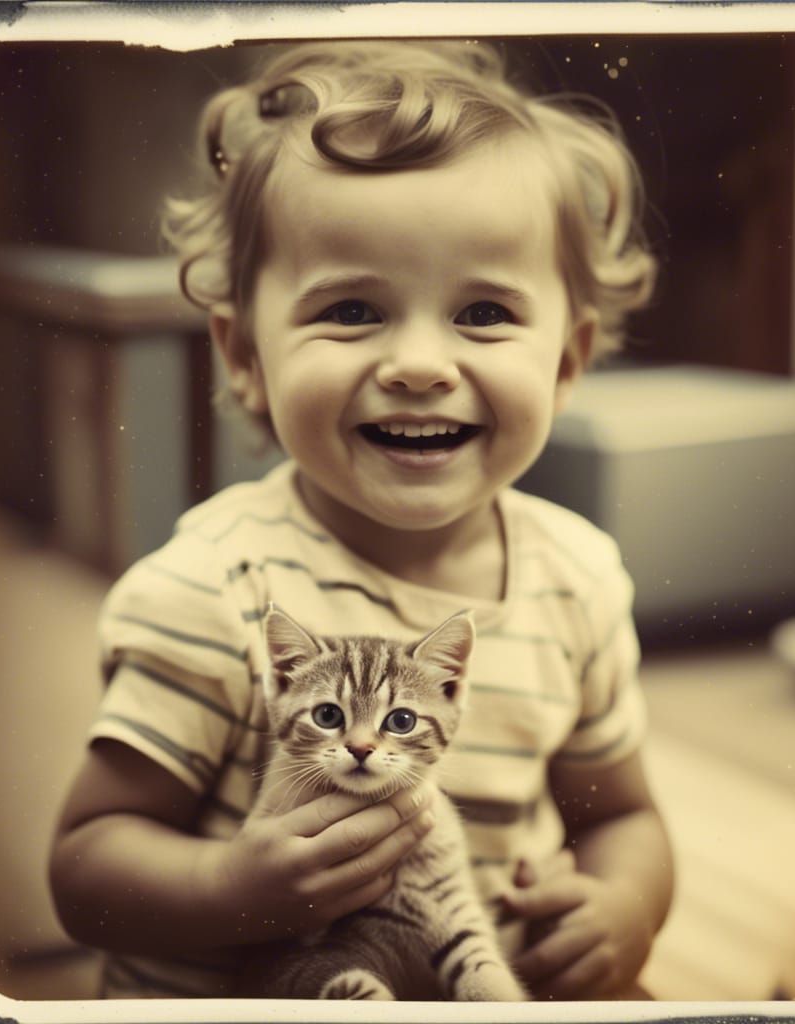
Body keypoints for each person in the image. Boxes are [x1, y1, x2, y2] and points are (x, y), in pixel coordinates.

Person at [49, 39, 674, 1001]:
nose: (419, 365)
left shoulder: (577, 581)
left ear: (566, 360)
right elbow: (87, 865)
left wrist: (624, 907)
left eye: (483, 313)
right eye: (350, 310)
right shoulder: (213, 586)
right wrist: (229, 889)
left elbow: (622, 818)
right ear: (243, 356)